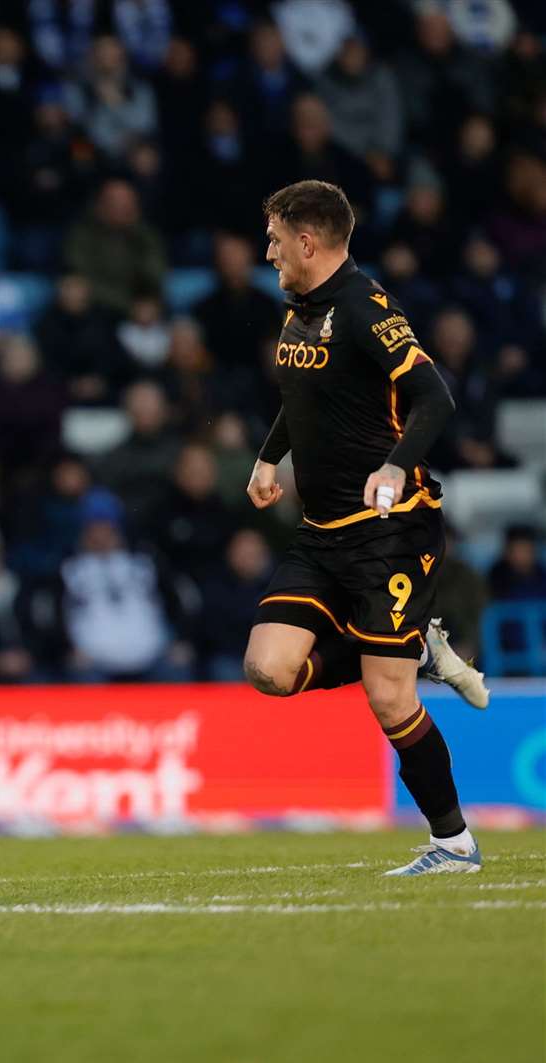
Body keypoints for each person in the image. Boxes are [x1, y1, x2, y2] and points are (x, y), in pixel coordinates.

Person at [241, 180, 490, 878]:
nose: (270, 253)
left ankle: (454, 844)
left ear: (309, 241)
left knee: (388, 695)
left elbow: (434, 398)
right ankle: (418, 645)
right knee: (268, 668)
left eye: (276, 240)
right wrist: (269, 455)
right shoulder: (301, 310)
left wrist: (393, 464)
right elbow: (303, 395)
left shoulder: (363, 306)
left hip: (390, 531)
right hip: (322, 534)